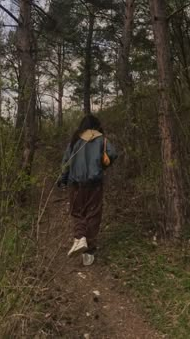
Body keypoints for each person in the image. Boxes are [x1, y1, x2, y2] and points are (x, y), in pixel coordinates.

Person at [58, 114, 117, 266]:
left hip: (75, 184)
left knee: (77, 211)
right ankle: (89, 252)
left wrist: (62, 179)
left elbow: (66, 162)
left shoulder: (75, 140)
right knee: (93, 213)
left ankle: (80, 237)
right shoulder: (102, 139)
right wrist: (101, 167)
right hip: (95, 184)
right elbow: (113, 154)